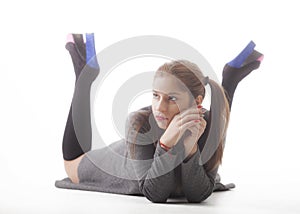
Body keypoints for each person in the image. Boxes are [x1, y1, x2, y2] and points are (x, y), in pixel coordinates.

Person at [55, 33, 263, 203]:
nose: (159, 108)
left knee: (216, 122)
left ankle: (230, 79)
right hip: (122, 159)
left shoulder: (206, 123)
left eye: (171, 98)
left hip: (175, 133)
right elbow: (155, 193)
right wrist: (165, 145)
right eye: (155, 95)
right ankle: (84, 76)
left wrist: (190, 149)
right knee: (72, 165)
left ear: (196, 101)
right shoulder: (139, 122)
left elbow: (197, 195)